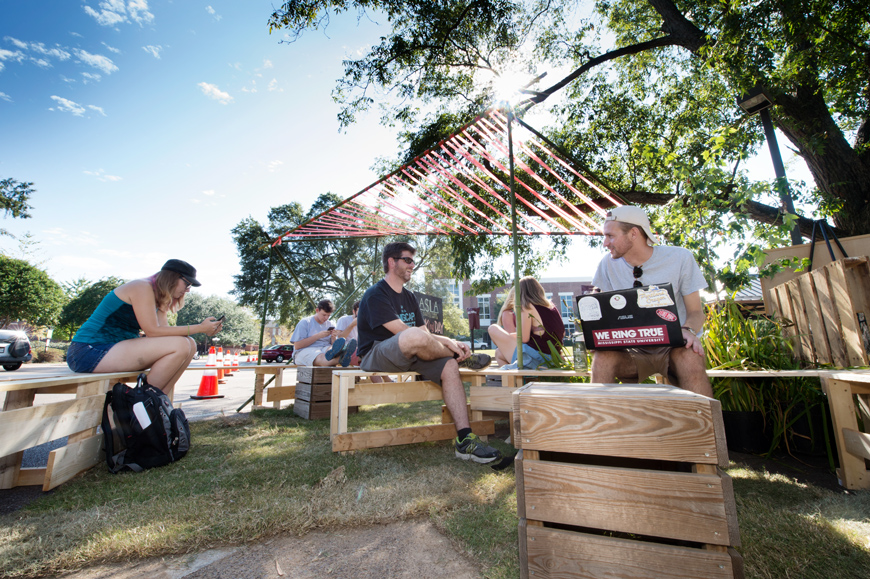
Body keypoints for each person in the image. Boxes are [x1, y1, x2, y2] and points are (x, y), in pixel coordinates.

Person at [357, 242, 500, 464]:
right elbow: (407, 334)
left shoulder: (410, 297)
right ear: (391, 262)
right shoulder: (376, 294)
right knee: (414, 337)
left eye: (413, 261)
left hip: (410, 353)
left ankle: (465, 440)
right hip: (376, 353)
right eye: (408, 260)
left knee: (450, 367)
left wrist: (452, 342)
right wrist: (449, 348)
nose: (412, 265)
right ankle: (461, 359)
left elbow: (425, 335)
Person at [591, 206, 712, 397]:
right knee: (602, 358)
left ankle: (706, 425)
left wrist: (687, 331)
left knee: (690, 357)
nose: (605, 243)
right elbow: (605, 313)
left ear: (633, 233)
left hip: (674, 348)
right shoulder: (606, 265)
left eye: (610, 236)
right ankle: (598, 425)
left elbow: (696, 313)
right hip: (631, 351)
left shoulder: (680, 258)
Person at [66, 259, 222, 394]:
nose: (188, 289)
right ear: (172, 277)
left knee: (190, 344)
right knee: (181, 344)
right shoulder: (141, 287)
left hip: (113, 350)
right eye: (187, 283)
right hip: (88, 351)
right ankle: (140, 402)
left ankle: (155, 401)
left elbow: (166, 335)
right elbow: (153, 331)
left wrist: (205, 329)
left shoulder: (159, 297)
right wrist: (200, 328)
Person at [488, 277, 566, 368]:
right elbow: (562, 333)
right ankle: (517, 379)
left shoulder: (527, 306)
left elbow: (524, 338)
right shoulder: (552, 307)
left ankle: (517, 380)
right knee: (499, 353)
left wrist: (506, 337)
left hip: (537, 359)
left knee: (492, 328)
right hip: (553, 358)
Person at [291, 299, 356, 367]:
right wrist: (318, 336)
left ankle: (341, 353)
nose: (326, 318)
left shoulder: (330, 324)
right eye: (324, 315)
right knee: (322, 356)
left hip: (325, 348)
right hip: (305, 351)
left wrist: (333, 338)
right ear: (317, 310)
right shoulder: (305, 322)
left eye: (328, 315)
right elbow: (297, 346)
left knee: (330, 349)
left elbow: (332, 344)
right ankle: (341, 357)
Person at [489, 287, 517, 366]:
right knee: (498, 353)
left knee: (498, 353)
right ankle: (509, 377)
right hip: (513, 349)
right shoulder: (508, 313)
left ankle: (509, 376)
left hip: (522, 348)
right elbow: (511, 338)